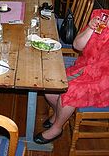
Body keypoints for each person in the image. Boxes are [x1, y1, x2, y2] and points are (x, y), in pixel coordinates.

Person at [34, 9, 109, 144]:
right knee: (52, 85)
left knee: (70, 91)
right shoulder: (101, 16)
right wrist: (90, 29)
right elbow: (77, 45)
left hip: (104, 80)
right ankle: (59, 115)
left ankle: (57, 128)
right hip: (85, 67)